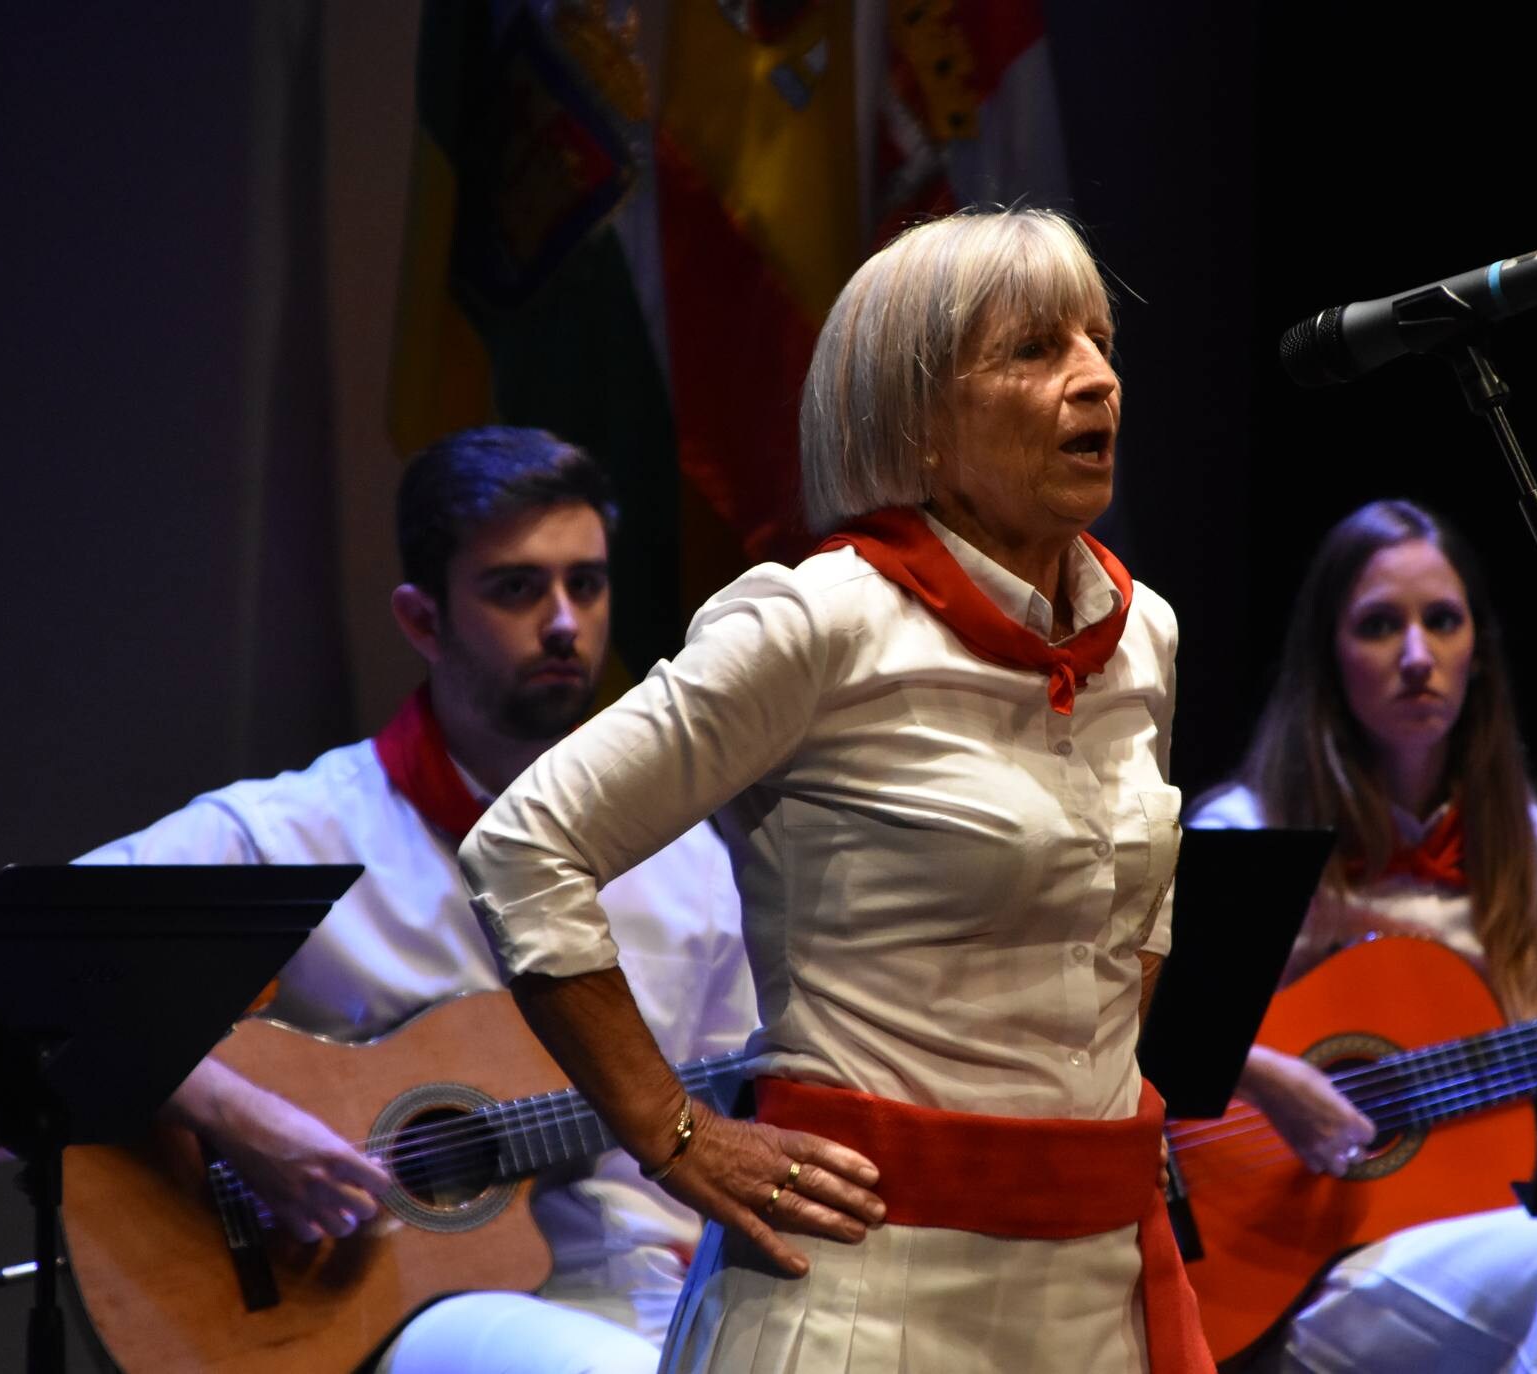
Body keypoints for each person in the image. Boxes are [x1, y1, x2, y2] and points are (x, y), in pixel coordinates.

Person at [460, 208, 1210, 1373]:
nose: (1097, 379)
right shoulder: (821, 621)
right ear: (913, 423)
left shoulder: (1142, 632)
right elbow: (525, 849)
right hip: (865, 1283)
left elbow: (1132, 904)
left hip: (1093, 1285)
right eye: (1034, 350)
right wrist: (676, 1135)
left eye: (1099, 342)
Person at [78, 426, 757, 1371]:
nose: (564, 622)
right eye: (517, 587)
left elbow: (747, 1091)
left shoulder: (687, 858)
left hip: (667, 1280)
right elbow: (40, 970)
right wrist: (242, 1118)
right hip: (401, 1305)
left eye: (586, 584)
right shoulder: (297, 830)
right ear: (422, 620)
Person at [1189, 499, 1537, 1373]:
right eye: (1378, 626)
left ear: (1477, 649)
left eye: (1441, 622)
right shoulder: (1249, 833)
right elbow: (1139, 1036)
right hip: (1293, 1277)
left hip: (1484, 1236)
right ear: (1327, 656)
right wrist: (1270, 1078)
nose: (1416, 657)